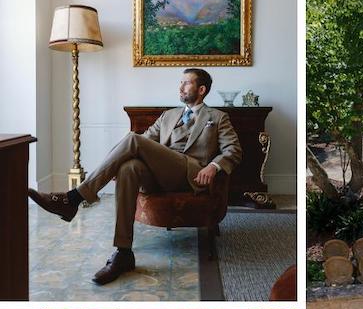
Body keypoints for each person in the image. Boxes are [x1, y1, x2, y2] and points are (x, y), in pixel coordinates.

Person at [27, 67, 241, 284]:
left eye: (186, 83)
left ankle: (73, 198)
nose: (180, 86)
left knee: (132, 139)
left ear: (202, 89)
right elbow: (145, 141)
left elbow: (233, 150)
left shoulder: (218, 117)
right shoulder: (169, 116)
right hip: (161, 176)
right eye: (181, 82)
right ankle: (123, 253)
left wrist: (214, 166)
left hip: (190, 174)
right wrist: (115, 163)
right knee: (127, 168)